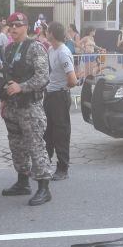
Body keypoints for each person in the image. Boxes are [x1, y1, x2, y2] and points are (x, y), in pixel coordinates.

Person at [0, 12, 53, 206]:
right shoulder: (9, 48)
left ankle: (44, 188)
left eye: (18, 25)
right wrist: (4, 97)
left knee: (35, 146)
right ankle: (23, 182)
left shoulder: (35, 47)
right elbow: (6, 75)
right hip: (12, 107)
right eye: (11, 25)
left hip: (30, 107)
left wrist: (21, 87)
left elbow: (43, 77)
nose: (13, 29)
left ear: (26, 27)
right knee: (17, 146)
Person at [44, 22, 78, 181]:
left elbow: (73, 80)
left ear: (52, 33)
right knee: (47, 132)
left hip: (59, 96)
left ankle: (63, 168)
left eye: (47, 30)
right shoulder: (51, 49)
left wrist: (61, 88)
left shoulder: (63, 52)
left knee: (61, 133)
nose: (45, 32)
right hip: (50, 95)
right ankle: (44, 163)